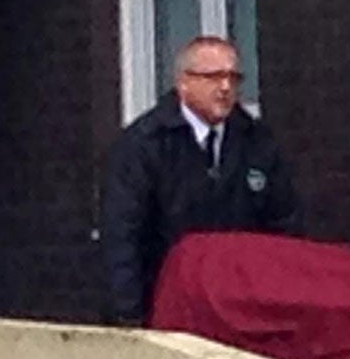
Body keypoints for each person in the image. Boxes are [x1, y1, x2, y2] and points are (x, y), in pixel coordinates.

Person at [99, 36, 300, 326]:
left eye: (233, 77)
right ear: (183, 83)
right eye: (213, 77)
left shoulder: (257, 142)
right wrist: (130, 321)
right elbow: (122, 238)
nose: (225, 88)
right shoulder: (143, 145)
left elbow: (285, 227)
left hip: (241, 312)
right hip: (168, 310)